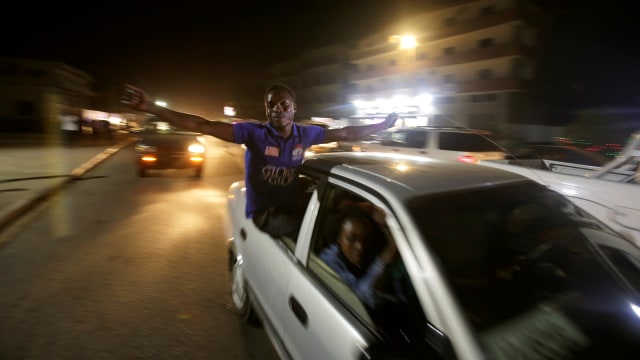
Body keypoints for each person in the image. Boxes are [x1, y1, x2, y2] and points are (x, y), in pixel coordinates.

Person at [121, 83, 398, 237]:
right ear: (266, 111)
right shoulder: (253, 133)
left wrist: (381, 126)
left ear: (294, 108)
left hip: (292, 202)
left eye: (284, 104)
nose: (278, 109)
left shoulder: (306, 134)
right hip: (268, 215)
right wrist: (152, 107)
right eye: (271, 105)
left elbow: (346, 132)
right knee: (319, 232)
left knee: (345, 209)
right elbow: (201, 125)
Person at [319, 206, 398, 309]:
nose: (360, 247)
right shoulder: (328, 261)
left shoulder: (369, 251)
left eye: (365, 239)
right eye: (352, 239)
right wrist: (390, 250)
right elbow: (359, 298)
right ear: (338, 238)